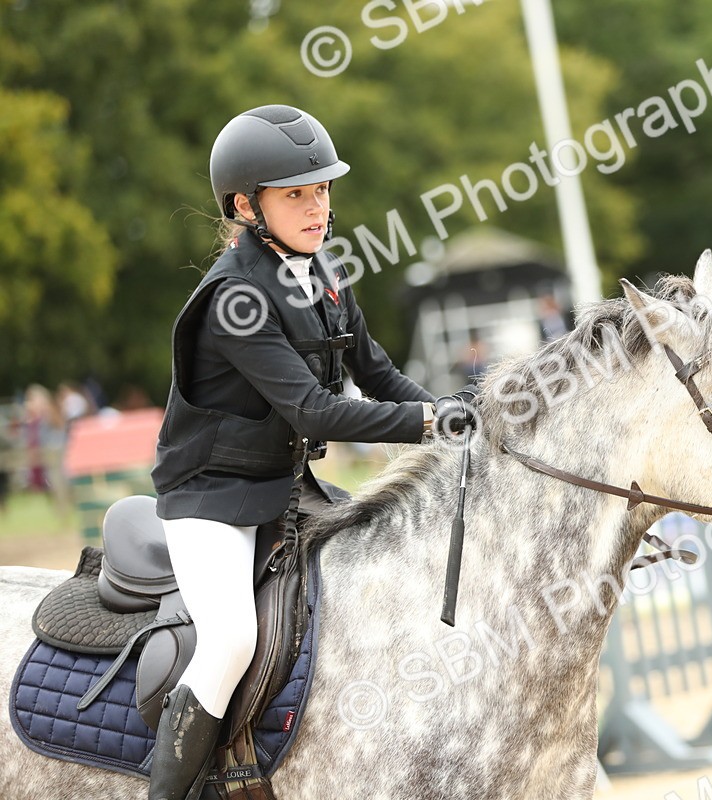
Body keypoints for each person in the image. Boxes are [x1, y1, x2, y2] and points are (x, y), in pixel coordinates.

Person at [147, 104, 476, 800]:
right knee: (233, 637)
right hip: (210, 500)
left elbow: (379, 375)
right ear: (247, 206)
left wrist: (458, 418)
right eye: (296, 193)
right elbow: (316, 410)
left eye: (322, 189)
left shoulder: (325, 271)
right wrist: (429, 425)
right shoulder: (235, 298)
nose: (317, 205)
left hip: (285, 488)